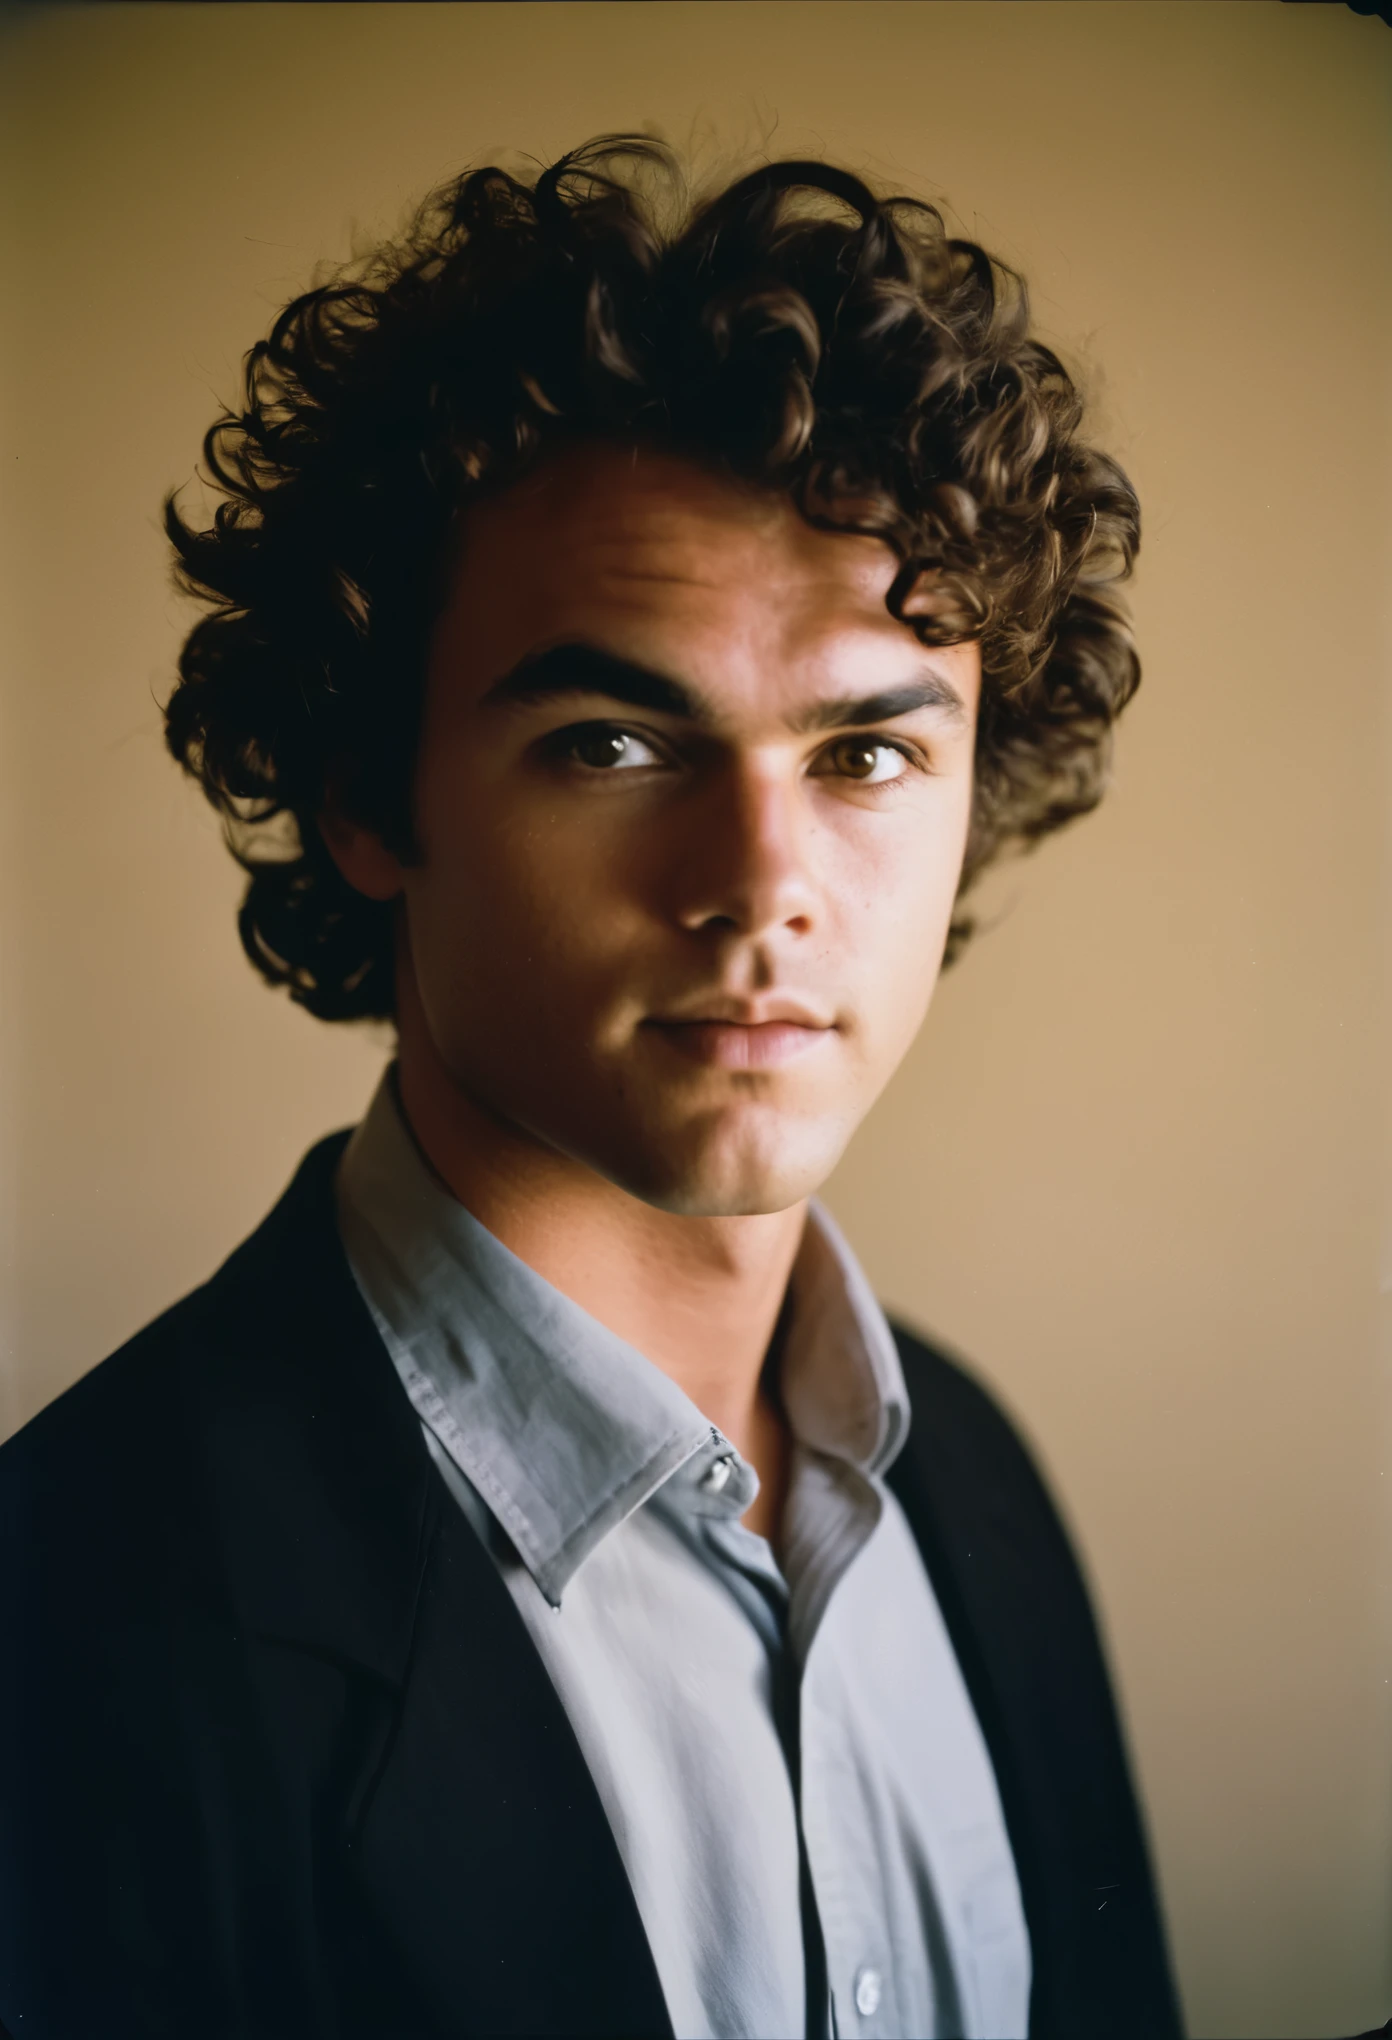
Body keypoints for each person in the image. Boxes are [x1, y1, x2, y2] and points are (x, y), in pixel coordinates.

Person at [0, 139, 1183, 2040]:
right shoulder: (65, 1625)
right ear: (367, 797)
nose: (763, 883)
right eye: (617, 738)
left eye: (870, 754)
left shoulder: (978, 1486)